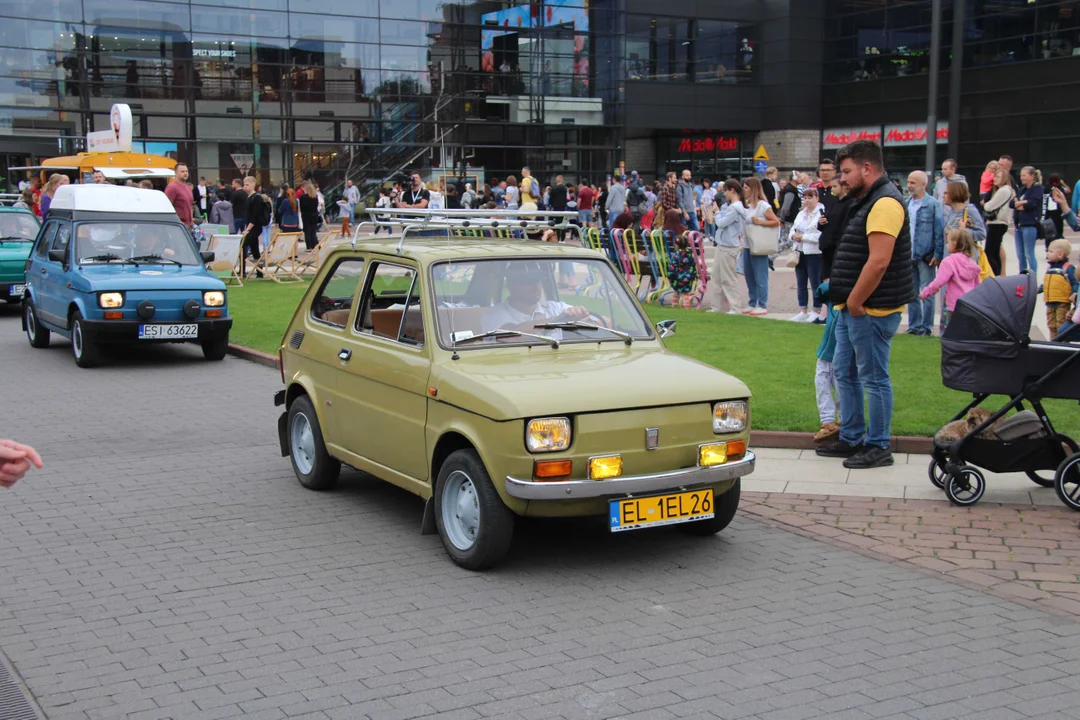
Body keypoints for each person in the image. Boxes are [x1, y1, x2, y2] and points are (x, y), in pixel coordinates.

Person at [817, 140, 914, 470]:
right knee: (845, 372)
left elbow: (879, 261)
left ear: (867, 168)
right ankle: (853, 436)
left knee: (873, 378)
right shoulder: (866, 199)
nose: (841, 179)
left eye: (846, 172)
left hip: (871, 310)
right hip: (852, 307)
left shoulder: (885, 202)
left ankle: (878, 445)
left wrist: (856, 302)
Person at [482, 262, 589, 335]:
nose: (535, 286)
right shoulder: (493, 315)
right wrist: (560, 320)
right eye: (528, 281)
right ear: (511, 286)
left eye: (538, 279)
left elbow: (604, 323)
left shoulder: (554, 308)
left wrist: (585, 317)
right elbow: (511, 333)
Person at [905, 170, 945, 336]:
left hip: (925, 254)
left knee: (927, 292)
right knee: (911, 293)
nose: (909, 186)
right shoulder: (905, 203)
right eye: (908, 182)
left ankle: (926, 327)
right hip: (908, 254)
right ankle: (914, 326)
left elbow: (939, 230)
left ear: (923, 184)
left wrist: (937, 253)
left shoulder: (933, 204)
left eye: (913, 183)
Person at [734, 177, 780, 316]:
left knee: (760, 275)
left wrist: (760, 222)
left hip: (759, 245)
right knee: (749, 275)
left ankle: (762, 303)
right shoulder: (747, 205)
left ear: (753, 189)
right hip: (747, 245)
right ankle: (752, 301)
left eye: (746, 187)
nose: (744, 190)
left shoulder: (763, 206)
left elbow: (775, 222)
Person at [918, 228, 981, 328]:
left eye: (948, 242)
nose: (946, 245)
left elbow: (938, 282)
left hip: (952, 304)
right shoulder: (972, 262)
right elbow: (978, 285)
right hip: (969, 304)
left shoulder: (949, 261)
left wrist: (925, 293)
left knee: (948, 334)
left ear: (954, 244)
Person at [707, 179, 745, 314]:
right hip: (723, 244)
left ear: (732, 190)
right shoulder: (733, 207)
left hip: (729, 246)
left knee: (728, 278)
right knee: (716, 277)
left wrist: (716, 212)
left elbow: (722, 223)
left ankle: (735, 307)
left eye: (726, 191)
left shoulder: (736, 207)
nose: (724, 194)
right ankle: (716, 307)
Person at [790, 187, 825, 322]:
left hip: (813, 252)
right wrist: (793, 236)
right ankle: (802, 309)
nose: (808, 200)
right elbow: (793, 228)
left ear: (817, 198)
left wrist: (803, 237)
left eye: (811, 197)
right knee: (801, 281)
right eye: (806, 197)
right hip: (799, 251)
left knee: (815, 281)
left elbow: (819, 235)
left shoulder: (820, 213)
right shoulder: (801, 213)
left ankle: (816, 309)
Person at [812, 280, 841, 445]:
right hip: (825, 354)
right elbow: (820, 291)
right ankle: (827, 421)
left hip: (841, 355)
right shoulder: (832, 298)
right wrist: (835, 283)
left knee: (842, 389)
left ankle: (844, 420)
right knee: (822, 386)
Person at [1042, 238, 1078, 339]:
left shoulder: (1067, 268)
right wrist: (1038, 289)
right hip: (1049, 302)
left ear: (1060, 254)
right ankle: (1053, 343)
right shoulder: (1049, 268)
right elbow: (1045, 283)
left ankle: (1061, 344)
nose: (1047, 253)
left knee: (1060, 325)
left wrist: (1074, 293)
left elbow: (1075, 283)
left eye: (1050, 251)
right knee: (1051, 325)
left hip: (1062, 303)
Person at [1011, 166, 1044, 274]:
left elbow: (1032, 203)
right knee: (1020, 254)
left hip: (1030, 224)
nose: (1022, 178)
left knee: (1029, 253)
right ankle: (1022, 275)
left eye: (1024, 175)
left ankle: (1033, 275)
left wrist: (1021, 203)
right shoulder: (1022, 189)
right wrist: (1021, 203)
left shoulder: (1037, 188)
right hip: (1019, 225)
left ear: (1032, 176)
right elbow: (1012, 203)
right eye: (1021, 175)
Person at [983, 166, 1014, 277]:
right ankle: (998, 274)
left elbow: (988, 206)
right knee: (995, 251)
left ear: (1004, 178)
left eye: (998, 177)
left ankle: (994, 274)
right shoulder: (1007, 190)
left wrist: (986, 204)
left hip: (997, 223)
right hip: (999, 223)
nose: (995, 179)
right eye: (995, 176)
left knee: (990, 252)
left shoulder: (1004, 190)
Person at [819, 176, 851, 280]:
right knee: (825, 278)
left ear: (844, 187)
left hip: (836, 247)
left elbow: (843, 226)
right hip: (827, 246)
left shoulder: (849, 204)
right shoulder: (835, 203)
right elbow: (828, 222)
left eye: (834, 186)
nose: (832, 189)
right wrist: (821, 223)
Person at [240, 176, 270, 278]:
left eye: (247, 184)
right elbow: (248, 215)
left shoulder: (257, 198)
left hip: (255, 227)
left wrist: (248, 229)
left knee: (243, 245)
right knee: (254, 249)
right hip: (250, 226)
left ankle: (242, 271)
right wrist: (246, 228)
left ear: (253, 184)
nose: (245, 186)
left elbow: (255, 215)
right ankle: (259, 272)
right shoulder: (248, 198)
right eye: (244, 184)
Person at [668, 235, 698, 308]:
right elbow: (693, 265)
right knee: (686, 293)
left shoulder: (676, 255)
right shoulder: (689, 254)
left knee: (676, 292)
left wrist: (670, 276)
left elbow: (672, 267)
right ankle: (686, 306)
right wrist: (693, 275)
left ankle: (674, 306)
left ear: (677, 245)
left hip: (677, 278)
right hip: (688, 278)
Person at [164, 163, 194, 229]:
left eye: (186, 171)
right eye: (182, 171)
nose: (185, 173)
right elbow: (166, 208)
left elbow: (190, 206)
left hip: (189, 226)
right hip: (178, 226)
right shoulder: (172, 187)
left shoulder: (188, 188)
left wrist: (191, 222)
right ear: (176, 173)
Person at [1045, 173, 1071, 241]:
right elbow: (1068, 190)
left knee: (1049, 233)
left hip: (1048, 213)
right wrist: (1063, 183)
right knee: (1058, 232)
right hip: (1058, 213)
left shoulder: (1046, 188)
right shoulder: (1060, 189)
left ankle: (1049, 246)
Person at [299, 181, 320, 249]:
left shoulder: (303, 197)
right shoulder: (315, 197)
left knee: (307, 231)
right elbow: (316, 206)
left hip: (306, 215)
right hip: (314, 215)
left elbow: (301, 207)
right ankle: (315, 244)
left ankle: (309, 246)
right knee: (313, 231)